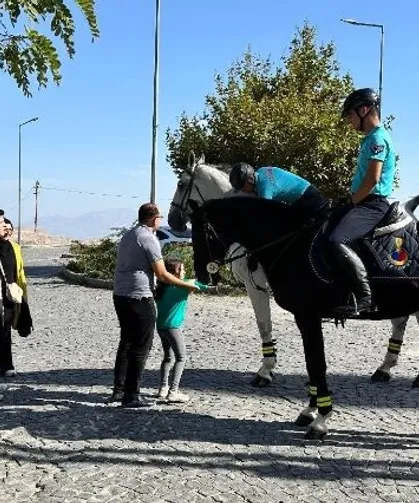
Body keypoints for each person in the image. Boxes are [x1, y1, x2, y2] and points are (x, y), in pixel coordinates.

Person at [108, 202, 200, 408]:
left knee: (126, 342)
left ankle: (119, 389)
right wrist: (186, 285)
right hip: (139, 297)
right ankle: (132, 395)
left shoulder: (129, 235)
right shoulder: (148, 238)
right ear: (152, 218)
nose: (161, 221)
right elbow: (162, 273)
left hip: (120, 295)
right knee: (141, 346)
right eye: (159, 217)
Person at [329, 88, 396, 315]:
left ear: (364, 110)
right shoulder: (369, 140)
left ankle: (365, 297)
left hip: (372, 204)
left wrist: (352, 201)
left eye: (350, 114)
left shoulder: (377, 138)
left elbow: (372, 179)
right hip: (364, 201)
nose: (348, 120)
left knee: (339, 240)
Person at [155, 258, 208, 403]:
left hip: (160, 326)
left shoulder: (161, 288)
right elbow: (204, 286)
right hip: (173, 327)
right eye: (182, 270)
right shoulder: (183, 286)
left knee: (168, 357)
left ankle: (163, 388)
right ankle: (174, 391)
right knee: (181, 357)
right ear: (175, 273)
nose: (185, 272)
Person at [229, 163, 327, 218]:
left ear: (250, 180)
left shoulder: (265, 190)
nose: (243, 191)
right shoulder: (262, 170)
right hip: (308, 193)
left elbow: (266, 215)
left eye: (242, 187)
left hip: (307, 201)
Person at [0, 218, 29, 376]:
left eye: (9, 228)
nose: (7, 230)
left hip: (9, 296)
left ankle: (6, 365)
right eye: (3, 226)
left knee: (5, 331)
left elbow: (19, 273)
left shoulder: (14, 247)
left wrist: (23, 296)